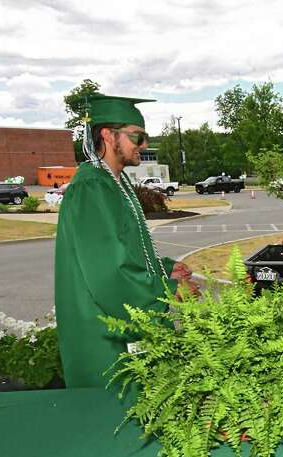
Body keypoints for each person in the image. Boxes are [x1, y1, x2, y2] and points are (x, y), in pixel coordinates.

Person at [55, 94, 199, 389]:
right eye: (138, 136)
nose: (144, 145)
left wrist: (165, 269)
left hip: (124, 322)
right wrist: (169, 290)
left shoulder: (117, 184)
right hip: (105, 332)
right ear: (108, 135)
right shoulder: (91, 187)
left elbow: (128, 252)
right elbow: (107, 273)